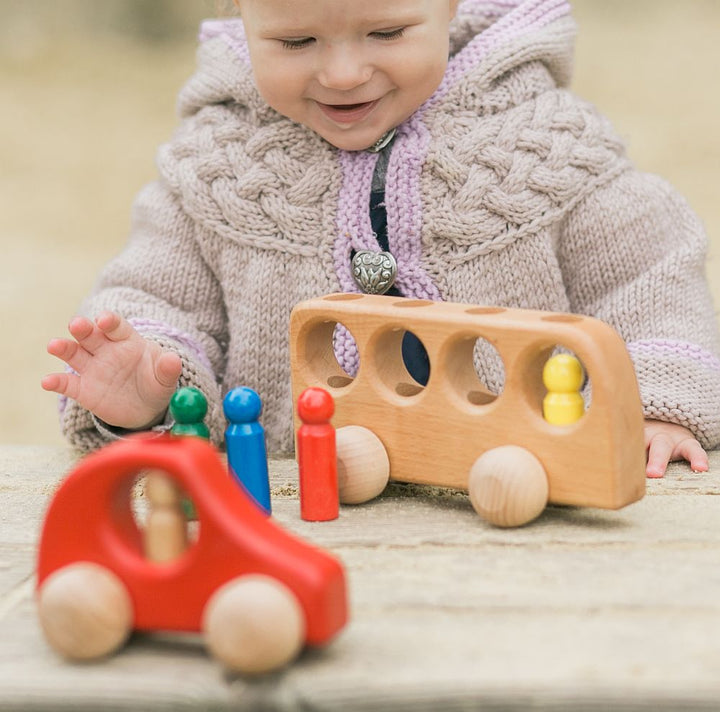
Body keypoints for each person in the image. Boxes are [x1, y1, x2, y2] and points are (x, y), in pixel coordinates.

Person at [42, 0, 720, 479]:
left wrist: (658, 405)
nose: (342, 73)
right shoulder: (215, 163)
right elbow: (158, 295)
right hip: (300, 513)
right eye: (296, 42)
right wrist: (152, 389)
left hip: (529, 507)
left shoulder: (546, 141)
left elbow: (651, 276)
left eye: (386, 31)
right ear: (240, 16)